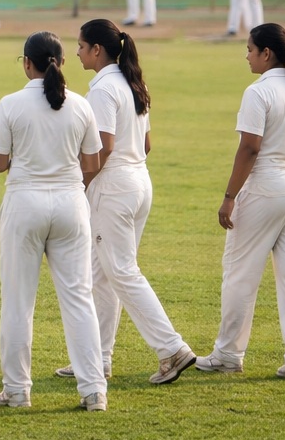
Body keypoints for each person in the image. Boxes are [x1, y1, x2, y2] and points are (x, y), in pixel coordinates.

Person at [61, 19, 195, 385]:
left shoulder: (103, 89)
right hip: (138, 182)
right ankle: (96, 359)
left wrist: (80, 184)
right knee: (100, 275)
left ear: (97, 50)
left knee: (120, 271)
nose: (77, 52)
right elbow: (146, 144)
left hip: (114, 188)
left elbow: (103, 148)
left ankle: (172, 348)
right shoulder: (134, 83)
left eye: (81, 46)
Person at [0, 31, 107, 410]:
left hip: (24, 204)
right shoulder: (81, 105)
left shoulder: (10, 104)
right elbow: (92, 163)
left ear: (27, 63)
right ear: (62, 62)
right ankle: (93, 390)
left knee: (18, 301)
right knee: (79, 299)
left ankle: (17, 390)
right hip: (71, 204)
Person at [197, 23, 285, 380]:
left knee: (240, 275)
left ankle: (228, 355)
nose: (247, 56)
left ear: (266, 53)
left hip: (267, 189)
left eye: (250, 50)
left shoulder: (258, 92)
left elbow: (250, 148)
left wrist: (229, 198)